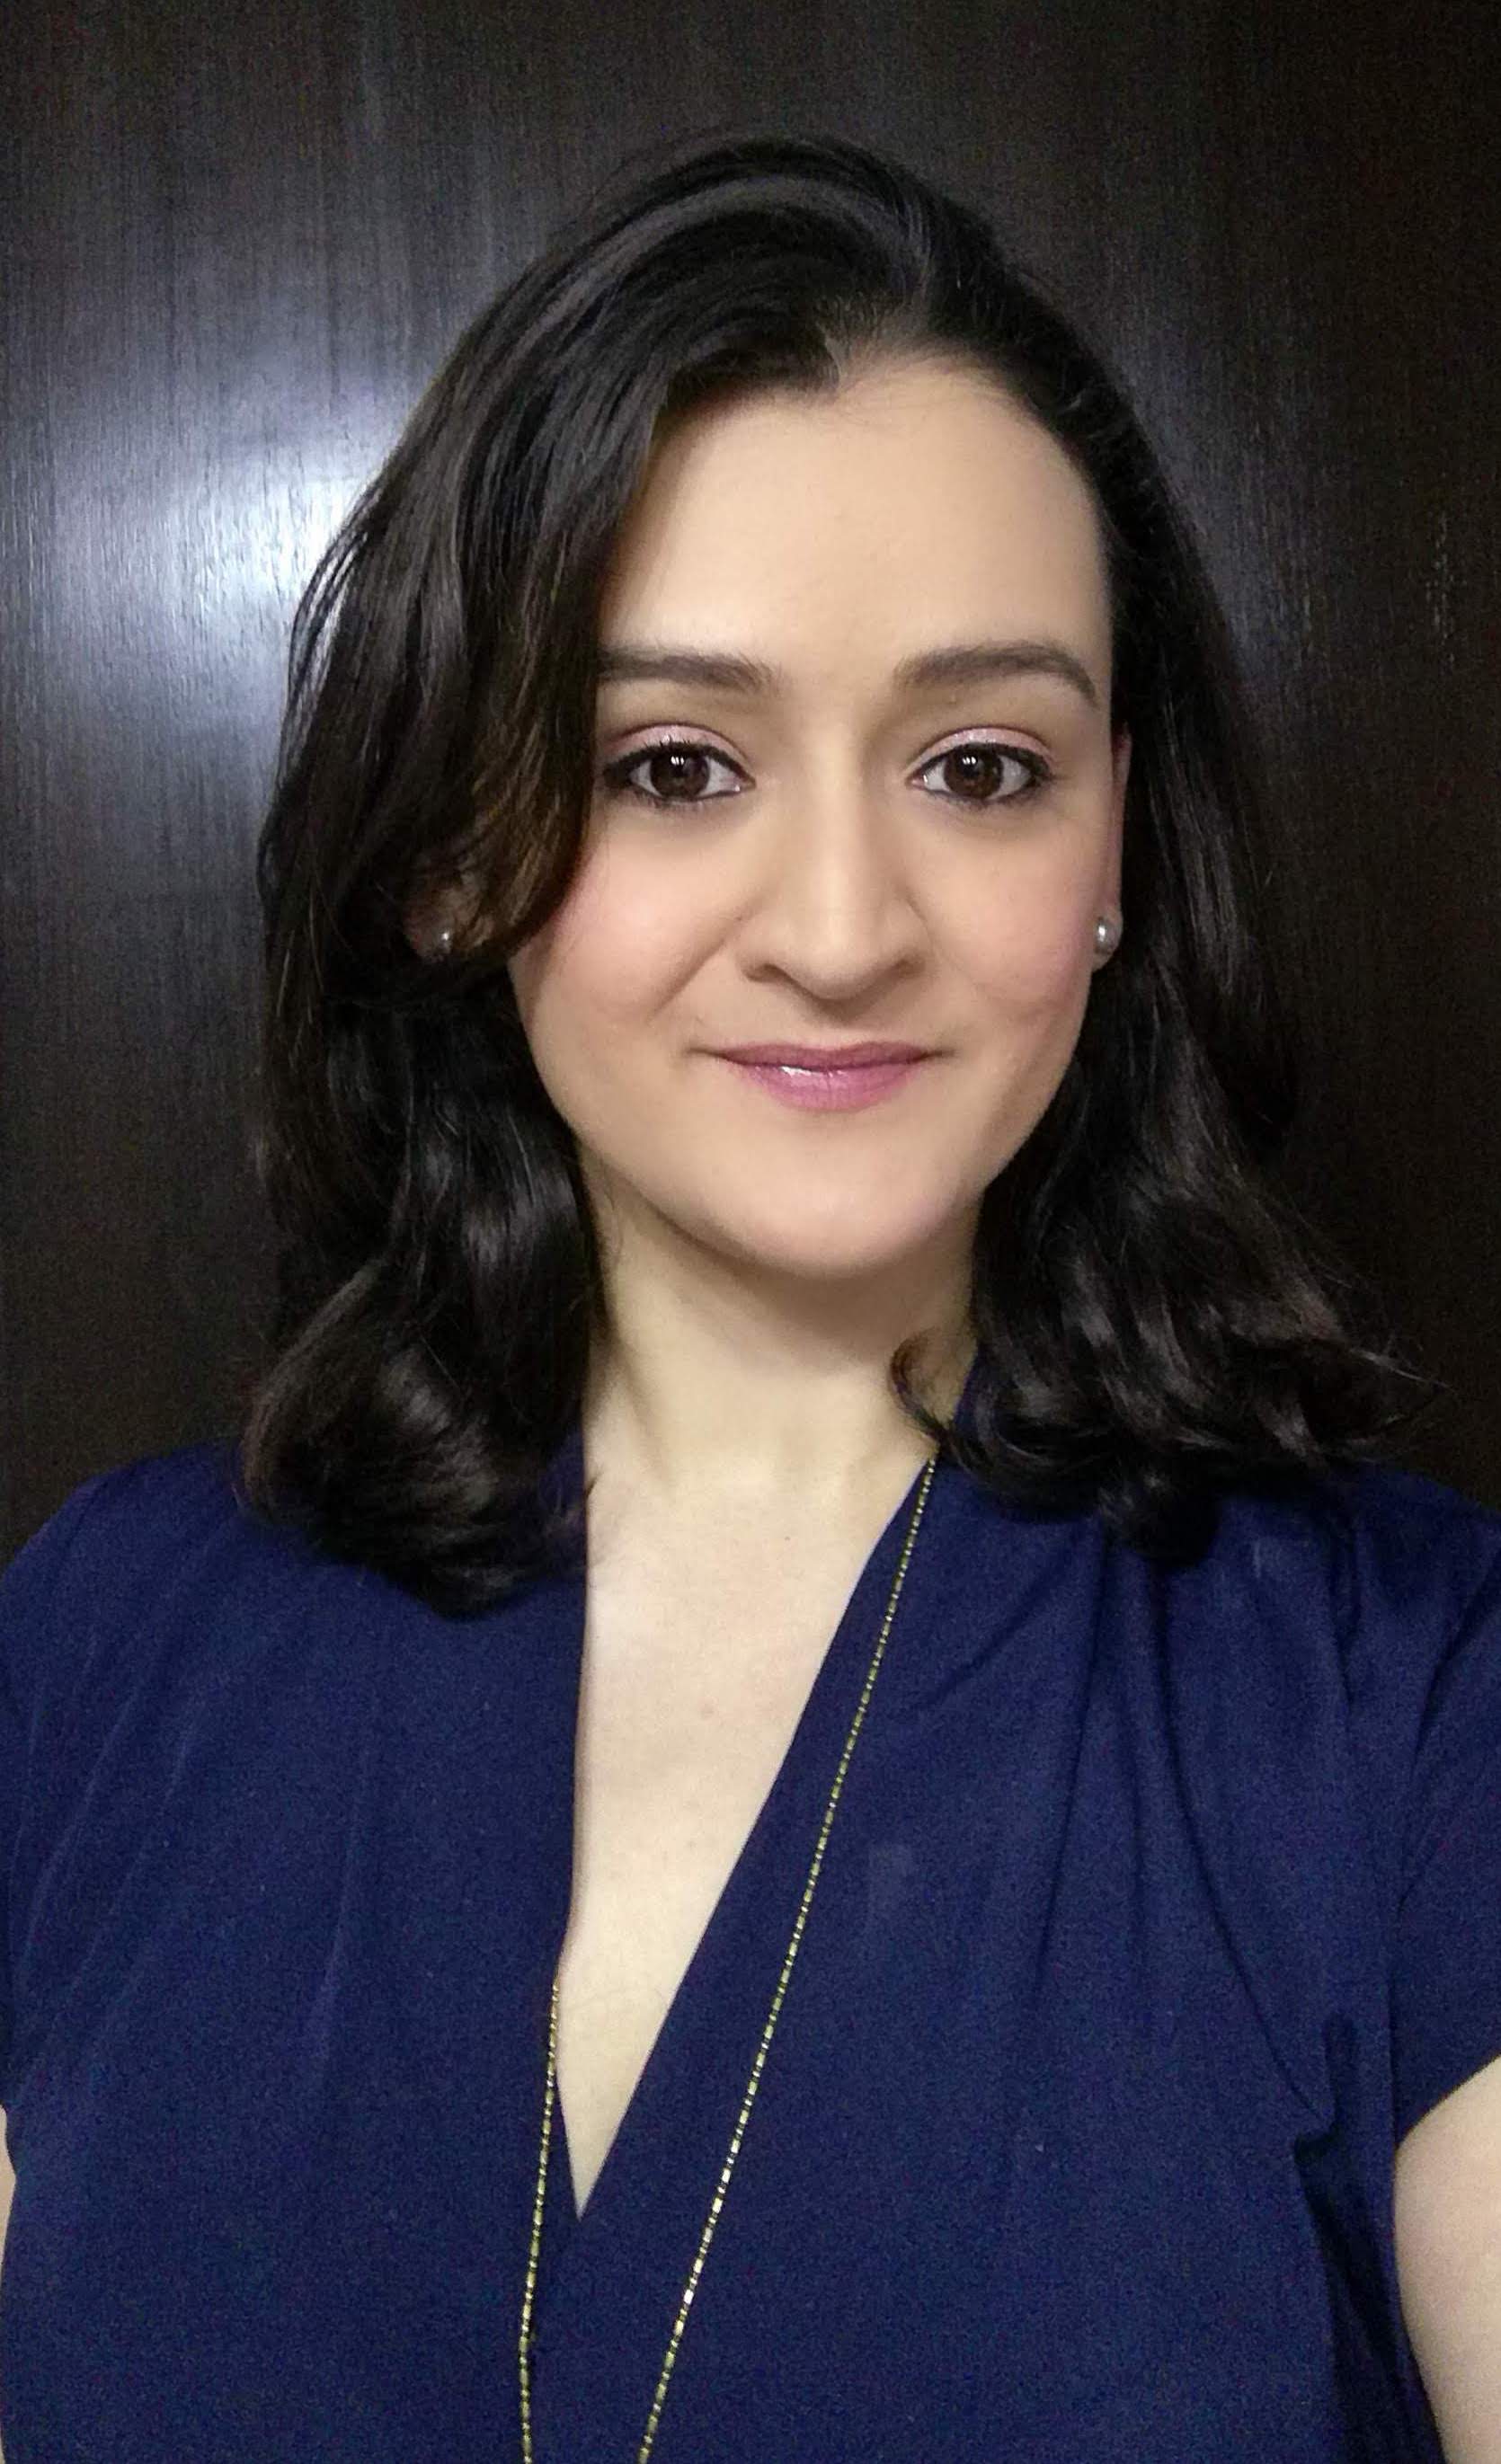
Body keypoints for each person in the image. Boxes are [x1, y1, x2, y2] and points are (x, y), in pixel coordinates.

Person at [0, 129, 1497, 2464]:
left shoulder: (1416, 1702)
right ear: (456, 851)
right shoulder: (101, 1645)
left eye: (981, 767)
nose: (840, 927)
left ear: (1118, 844)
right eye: (675, 765)